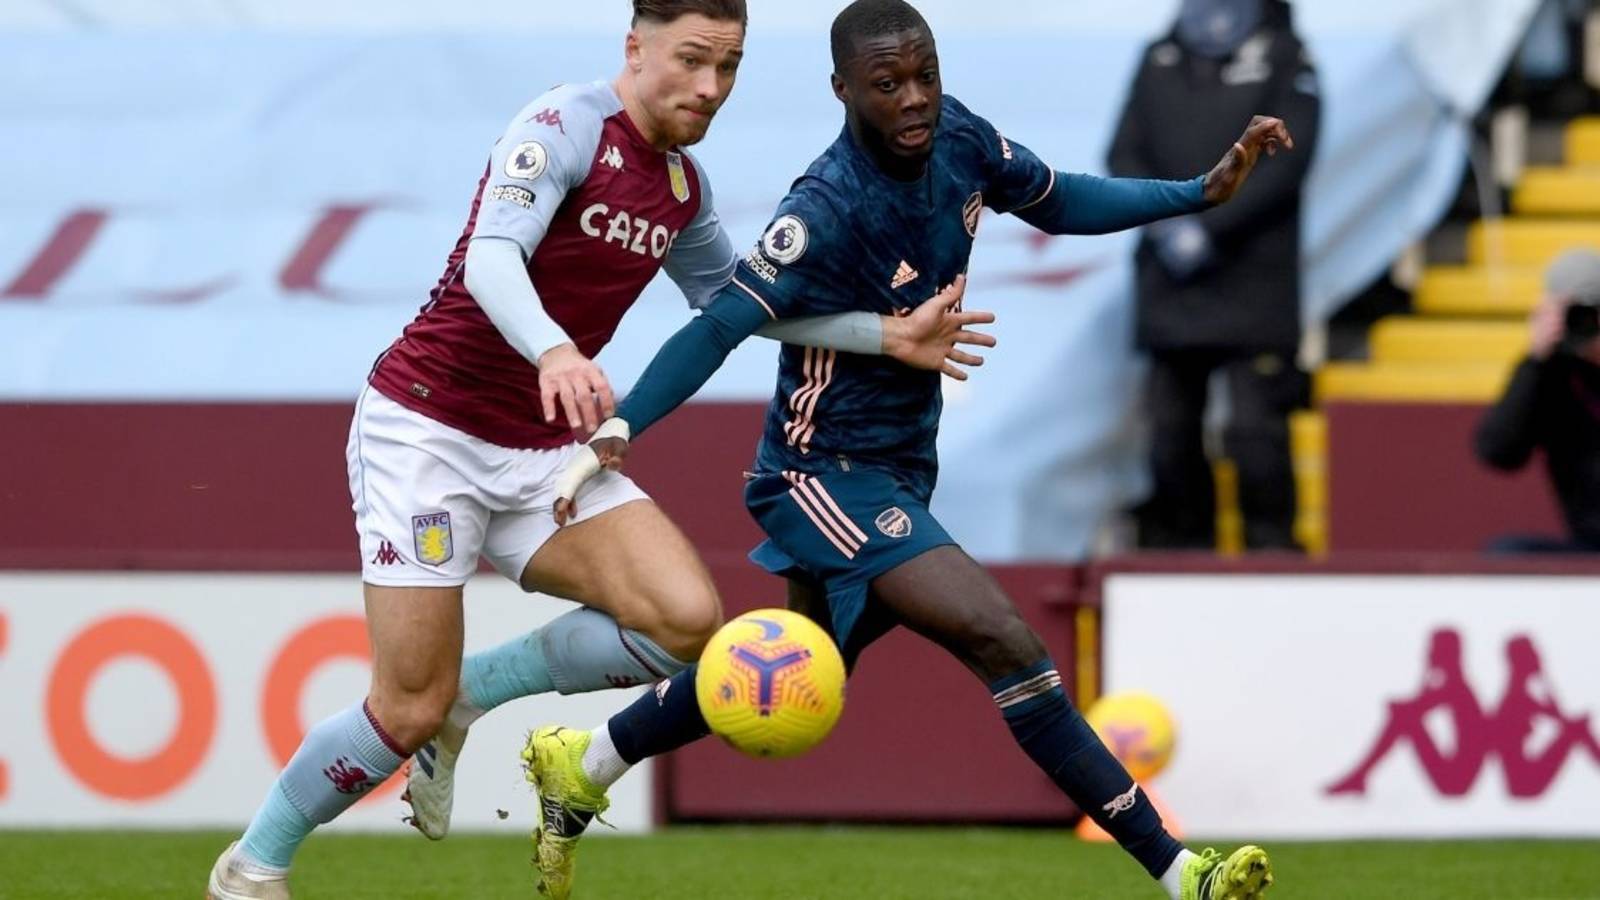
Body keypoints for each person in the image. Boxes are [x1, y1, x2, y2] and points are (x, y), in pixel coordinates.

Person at [204, 1, 992, 896]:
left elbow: (739, 304)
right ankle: (252, 866)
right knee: (403, 706)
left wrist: (885, 336)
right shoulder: (563, 125)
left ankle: (474, 695)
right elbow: (490, 259)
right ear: (635, 47)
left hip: (540, 450)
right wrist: (554, 348)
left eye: (728, 67)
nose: (710, 87)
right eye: (692, 60)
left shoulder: (683, 189)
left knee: (687, 623)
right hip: (426, 430)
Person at [528, 2, 1295, 898]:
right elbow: (720, 324)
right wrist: (621, 427)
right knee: (1005, 640)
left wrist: (1195, 192)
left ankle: (585, 762)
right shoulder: (824, 207)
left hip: (898, 469)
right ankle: (1179, 872)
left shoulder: (960, 136)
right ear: (843, 90)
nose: (916, 98)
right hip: (816, 475)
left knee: (790, 663)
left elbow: (1059, 197)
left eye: (925, 73)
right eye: (888, 84)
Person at [1108, 0, 1320, 552]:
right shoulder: (1159, 56)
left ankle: (1273, 559)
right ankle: (1182, 561)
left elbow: (1289, 163)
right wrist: (1164, 222)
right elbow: (1123, 152)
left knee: (1256, 435)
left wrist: (1212, 227)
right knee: (1170, 438)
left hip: (1253, 281)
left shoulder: (1288, 57)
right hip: (1171, 283)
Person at [1474, 248, 1600, 555]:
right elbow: (1498, 451)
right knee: (1505, 553)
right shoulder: (1552, 376)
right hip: (1589, 548)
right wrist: (1536, 359)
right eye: (1575, 314)